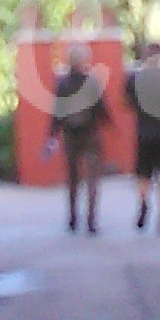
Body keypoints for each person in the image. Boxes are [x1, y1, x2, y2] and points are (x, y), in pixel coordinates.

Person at [124, 40, 160, 234]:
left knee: (143, 174)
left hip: (144, 132)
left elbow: (128, 105)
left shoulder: (133, 79)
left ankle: (143, 204)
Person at [50, 42, 108, 233]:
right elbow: (101, 109)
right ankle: (91, 221)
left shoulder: (62, 83)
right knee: (92, 179)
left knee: (72, 178)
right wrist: (110, 125)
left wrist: (52, 134)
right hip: (91, 135)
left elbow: (57, 112)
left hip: (70, 135)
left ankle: (72, 219)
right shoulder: (92, 82)